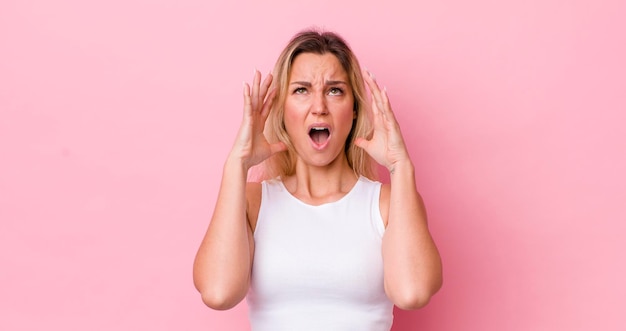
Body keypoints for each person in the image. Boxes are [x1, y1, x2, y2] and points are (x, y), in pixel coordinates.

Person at [193, 29, 443, 331]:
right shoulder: (251, 202)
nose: (319, 106)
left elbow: (412, 292)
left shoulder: (388, 204)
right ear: (282, 109)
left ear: (353, 110)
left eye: (335, 90)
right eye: (301, 90)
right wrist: (236, 164)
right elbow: (219, 293)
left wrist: (401, 167)